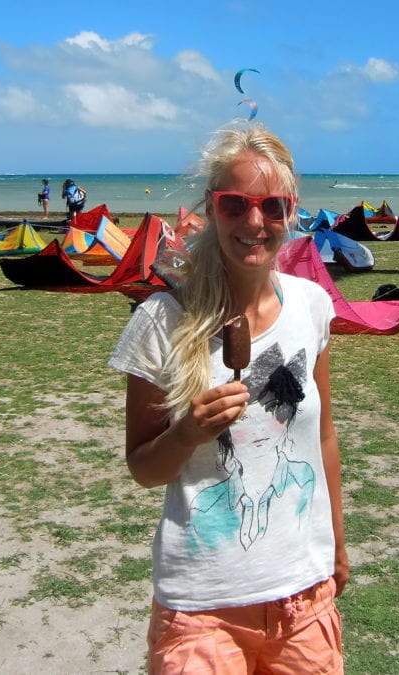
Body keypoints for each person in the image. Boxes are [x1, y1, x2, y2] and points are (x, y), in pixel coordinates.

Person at [108, 123, 347, 673]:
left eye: (273, 206)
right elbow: (143, 468)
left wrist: (337, 545)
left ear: (292, 211)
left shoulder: (312, 306)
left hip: (303, 596)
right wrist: (188, 432)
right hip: (201, 607)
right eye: (235, 204)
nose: (254, 222)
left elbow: (324, 436)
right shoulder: (162, 320)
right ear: (210, 210)